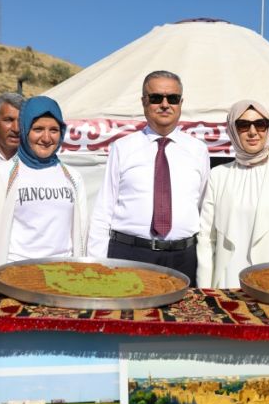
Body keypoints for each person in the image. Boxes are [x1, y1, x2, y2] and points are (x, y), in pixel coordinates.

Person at [88, 70, 210, 285]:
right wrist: (96, 265)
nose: (165, 104)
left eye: (172, 98)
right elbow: (104, 209)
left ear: (181, 103)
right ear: (144, 101)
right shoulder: (122, 148)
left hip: (183, 258)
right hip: (130, 255)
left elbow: (202, 205)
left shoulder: (198, 150)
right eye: (156, 98)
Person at [196, 100, 269, 288]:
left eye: (260, 124)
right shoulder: (218, 175)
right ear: (232, 130)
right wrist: (205, 290)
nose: (253, 132)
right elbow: (207, 240)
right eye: (243, 125)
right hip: (228, 282)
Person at [0, 96, 87, 279]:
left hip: (64, 278)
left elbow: (81, 235)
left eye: (54, 130)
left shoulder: (72, 177)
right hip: (16, 278)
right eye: (38, 129)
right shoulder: (4, 174)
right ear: (25, 130)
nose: (46, 138)